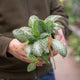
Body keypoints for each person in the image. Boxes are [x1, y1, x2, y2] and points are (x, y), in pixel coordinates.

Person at [0, 0, 69, 80]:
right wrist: (7, 45)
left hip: (46, 72)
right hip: (6, 73)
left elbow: (59, 12)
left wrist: (58, 27)